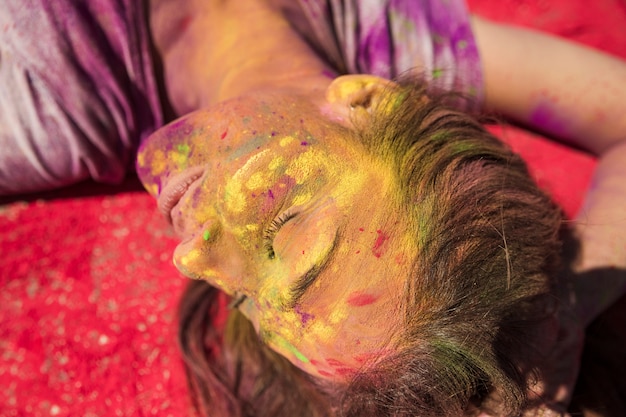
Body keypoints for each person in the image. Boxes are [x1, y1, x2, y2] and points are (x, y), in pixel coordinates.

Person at [2, 0, 625, 416]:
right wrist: (563, 303)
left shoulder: (42, 107)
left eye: (244, 297)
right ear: (366, 102)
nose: (189, 257)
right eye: (286, 230)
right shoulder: (389, 32)